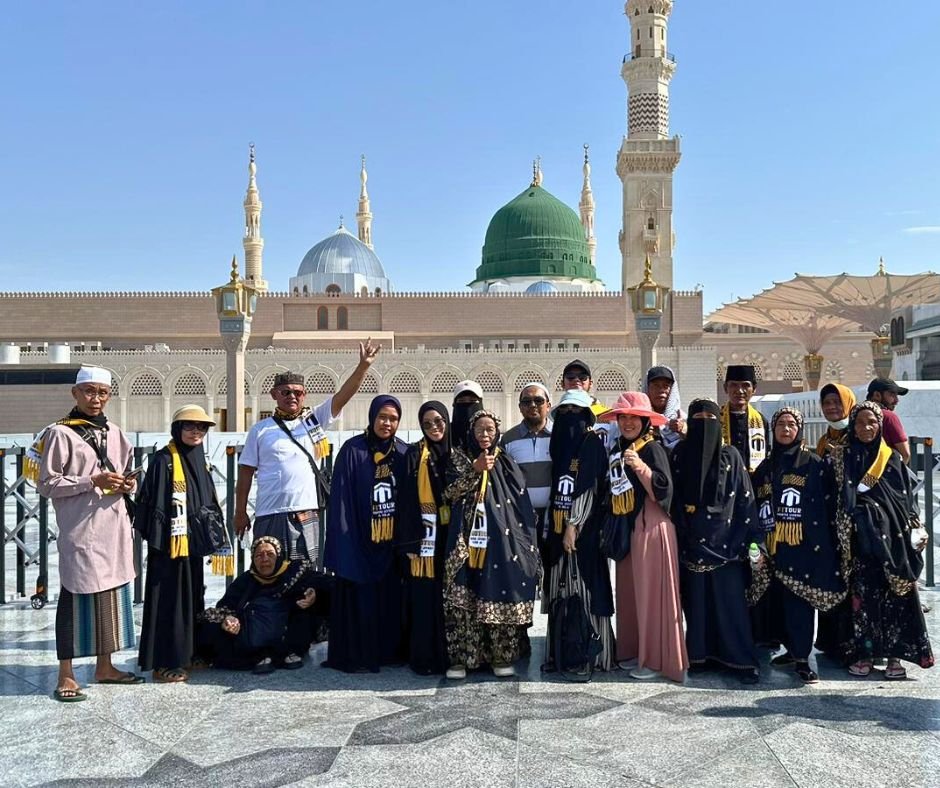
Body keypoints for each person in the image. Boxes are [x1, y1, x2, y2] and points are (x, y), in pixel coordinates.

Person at [34, 366, 140, 702]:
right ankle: (65, 673)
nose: (96, 399)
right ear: (75, 394)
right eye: (89, 392)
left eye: (102, 393)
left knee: (109, 597)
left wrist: (127, 483)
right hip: (81, 529)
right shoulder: (59, 434)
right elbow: (47, 484)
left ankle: (104, 666)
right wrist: (91, 481)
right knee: (75, 597)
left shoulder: (117, 433)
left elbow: (125, 475)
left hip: (113, 527)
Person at [234, 339, 382, 562]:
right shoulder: (260, 430)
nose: (292, 396)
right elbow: (245, 473)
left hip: (305, 512)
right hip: (269, 513)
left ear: (305, 394)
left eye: (297, 392)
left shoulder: (314, 421)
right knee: (267, 572)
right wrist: (240, 511)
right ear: (274, 394)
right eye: (285, 392)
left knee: (304, 575)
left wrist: (363, 366)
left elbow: (344, 395)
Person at [443, 410, 540, 679]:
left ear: (497, 432)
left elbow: (519, 501)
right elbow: (448, 492)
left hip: (500, 544)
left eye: (489, 430)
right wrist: (474, 470)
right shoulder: (459, 458)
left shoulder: (507, 462)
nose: (485, 435)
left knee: (498, 592)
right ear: (471, 432)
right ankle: (462, 659)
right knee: (463, 599)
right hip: (466, 543)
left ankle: (500, 656)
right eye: (479, 430)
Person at [750, 407, 844, 684]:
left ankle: (803, 659)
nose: (786, 429)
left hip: (802, 545)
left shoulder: (812, 463)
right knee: (778, 602)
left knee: (800, 604)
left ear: (799, 430)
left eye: (791, 425)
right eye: (780, 424)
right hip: (772, 547)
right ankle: (790, 650)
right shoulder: (766, 467)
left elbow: (826, 503)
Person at [598, 392, 688, 682]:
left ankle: (655, 659)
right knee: (629, 595)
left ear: (645, 420)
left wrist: (639, 466)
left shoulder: (652, 449)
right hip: (628, 529)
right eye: (622, 417)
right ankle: (633, 650)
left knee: (651, 597)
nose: (627, 422)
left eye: (633, 417)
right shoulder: (619, 448)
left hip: (651, 528)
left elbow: (665, 490)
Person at [671, 398, 762, 683]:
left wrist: (750, 541)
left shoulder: (731, 455)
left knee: (730, 607)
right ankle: (700, 656)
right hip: (691, 544)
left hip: (727, 546)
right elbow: (672, 499)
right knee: (697, 606)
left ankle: (740, 662)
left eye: (709, 419)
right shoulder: (679, 453)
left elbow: (745, 499)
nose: (703, 423)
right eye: (696, 418)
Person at [135, 405, 228, 683]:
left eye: (201, 427)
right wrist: (166, 538)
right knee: (170, 602)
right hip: (169, 547)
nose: (196, 432)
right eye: (189, 426)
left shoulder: (199, 458)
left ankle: (188, 653)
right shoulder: (164, 460)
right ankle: (164, 661)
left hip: (193, 546)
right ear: (177, 429)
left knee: (192, 598)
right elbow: (153, 504)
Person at [843, 402, 933, 679]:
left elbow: (904, 499)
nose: (866, 428)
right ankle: (867, 655)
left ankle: (896, 658)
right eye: (859, 423)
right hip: (862, 543)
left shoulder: (890, 458)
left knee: (897, 598)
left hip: (894, 542)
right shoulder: (846, 457)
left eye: (871, 422)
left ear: (880, 425)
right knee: (865, 600)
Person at [323, 395, 408, 673]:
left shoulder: (403, 452)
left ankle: (387, 653)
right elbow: (341, 498)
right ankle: (358, 655)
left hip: (391, 545)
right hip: (359, 539)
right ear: (372, 417)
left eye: (393, 419)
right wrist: (346, 540)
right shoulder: (353, 450)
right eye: (383, 417)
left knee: (389, 600)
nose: (387, 423)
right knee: (360, 599)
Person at [544, 389, 615, 672]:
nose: (569, 418)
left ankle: (595, 654)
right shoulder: (559, 445)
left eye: (576, 412)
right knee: (560, 594)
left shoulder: (591, 443)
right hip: (558, 533)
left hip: (581, 534)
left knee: (587, 592)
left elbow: (588, 488)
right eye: (564, 412)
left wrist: (573, 525)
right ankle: (562, 653)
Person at [196, 536, 327, 672]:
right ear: (253, 559)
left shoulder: (294, 572)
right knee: (209, 626)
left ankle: (287, 652)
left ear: (279, 556)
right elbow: (226, 607)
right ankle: (261, 655)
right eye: (259, 555)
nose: (265, 559)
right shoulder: (246, 580)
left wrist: (314, 593)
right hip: (254, 636)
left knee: (314, 605)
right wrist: (228, 620)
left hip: (288, 634)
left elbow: (321, 583)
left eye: (270, 554)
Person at [397, 401, 453, 675]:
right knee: (424, 598)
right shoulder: (414, 454)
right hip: (425, 538)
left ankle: (451, 657)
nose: (434, 428)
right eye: (428, 423)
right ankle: (425, 658)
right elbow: (406, 500)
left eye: (439, 421)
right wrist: (410, 543)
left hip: (452, 537)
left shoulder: (458, 452)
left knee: (450, 599)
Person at [814, 382, 858, 660]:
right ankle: (832, 642)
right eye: (827, 403)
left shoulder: (860, 435)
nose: (831, 408)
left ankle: (856, 644)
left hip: (853, 522)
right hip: (828, 521)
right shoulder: (823, 439)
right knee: (832, 579)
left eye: (836, 403)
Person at [720, 365, 769, 474]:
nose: (740, 390)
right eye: (734, 385)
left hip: (753, 482)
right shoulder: (717, 420)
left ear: (754, 389)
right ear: (725, 388)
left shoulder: (761, 421)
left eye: (745, 385)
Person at [867, 378, 911, 464]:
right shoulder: (888, 416)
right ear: (877, 395)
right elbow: (905, 454)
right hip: (883, 472)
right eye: (892, 395)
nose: (896, 400)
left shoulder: (855, 414)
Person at [643, 365, 686, 449]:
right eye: (656, 386)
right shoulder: (639, 420)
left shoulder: (684, 420)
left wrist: (684, 432)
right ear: (647, 389)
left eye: (666, 386)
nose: (661, 390)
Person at [451, 380, 484, 453]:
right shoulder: (445, 436)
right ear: (454, 405)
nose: (467, 407)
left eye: (472, 401)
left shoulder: (488, 435)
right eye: (461, 402)